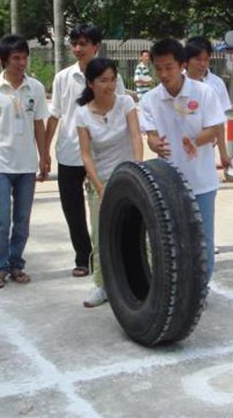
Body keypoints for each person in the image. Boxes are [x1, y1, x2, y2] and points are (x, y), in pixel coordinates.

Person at [44, 25, 125, 278]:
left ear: (96, 46)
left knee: (105, 208)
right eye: (74, 43)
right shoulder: (63, 78)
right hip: (69, 153)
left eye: (83, 43)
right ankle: (83, 257)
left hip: (102, 156)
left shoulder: (112, 77)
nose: (78, 48)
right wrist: (44, 151)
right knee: (73, 211)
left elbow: (121, 111)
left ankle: (109, 257)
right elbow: (55, 115)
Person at [140, 38, 225, 280]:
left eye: (169, 67)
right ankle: (176, 288)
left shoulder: (204, 92)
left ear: (182, 65)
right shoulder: (150, 99)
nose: (163, 74)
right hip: (168, 183)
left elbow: (214, 129)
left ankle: (201, 287)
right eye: (158, 68)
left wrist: (195, 141)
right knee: (173, 241)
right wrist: (154, 143)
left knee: (203, 240)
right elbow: (151, 135)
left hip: (201, 181)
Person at [0, 34, 49, 289]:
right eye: (16, 58)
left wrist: (44, 156)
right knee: (2, 221)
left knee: (22, 220)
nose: (21, 63)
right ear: (4, 60)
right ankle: (0, 268)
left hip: (27, 165)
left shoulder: (35, 88)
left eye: (24, 57)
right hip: (0, 165)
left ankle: (16, 264)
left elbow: (39, 125)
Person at [76, 58, 143, 307]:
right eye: (103, 80)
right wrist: (100, 187)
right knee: (101, 236)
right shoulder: (82, 114)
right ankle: (101, 285)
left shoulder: (126, 103)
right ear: (91, 84)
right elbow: (86, 155)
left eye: (113, 79)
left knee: (137, 233)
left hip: (128, 177)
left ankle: (142, 281)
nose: (110, 85)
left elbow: (136, 137)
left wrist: (138, 170)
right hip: (101, 181)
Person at [185, 36, 232, 168]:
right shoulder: (177, 84)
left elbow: (219, 122)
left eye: (206, 59)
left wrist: (223, 152)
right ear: (186, 60)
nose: (203, 64)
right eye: (198, 59)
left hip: (206, 147)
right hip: (180, 147)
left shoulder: (216, 84)